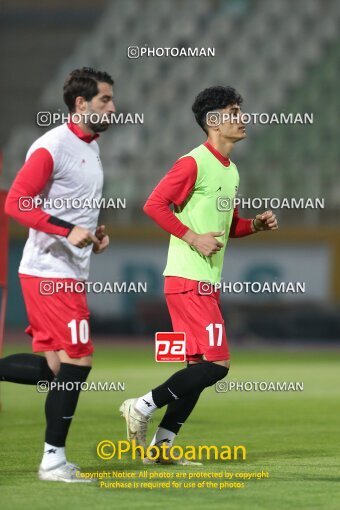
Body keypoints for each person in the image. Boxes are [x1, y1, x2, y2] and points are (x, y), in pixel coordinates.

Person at [120, 86, 278, 464]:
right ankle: (141, 405)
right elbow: (154, 204)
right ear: (213, 122)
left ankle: (160, 450)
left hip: (204, 282)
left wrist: (253, 224)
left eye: (241, 110)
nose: (242, 118)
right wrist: (191, 236)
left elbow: (227, 228)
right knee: (217, 366)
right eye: (233, 111)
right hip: (188, 281)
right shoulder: (193, 163)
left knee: (198, 369)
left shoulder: (231, 170)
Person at [0, 67, 114, 482]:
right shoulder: (53, 145)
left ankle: (54, 459)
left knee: (55, 368)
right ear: (81, 104)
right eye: (105, 100)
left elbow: (73, 211)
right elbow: (16, 203)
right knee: (79, 360)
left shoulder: (91, 145)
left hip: (67, 271)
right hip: (50, 273)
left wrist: (92, 236)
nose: (113, 107)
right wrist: (68, 231)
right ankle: (52, 460)